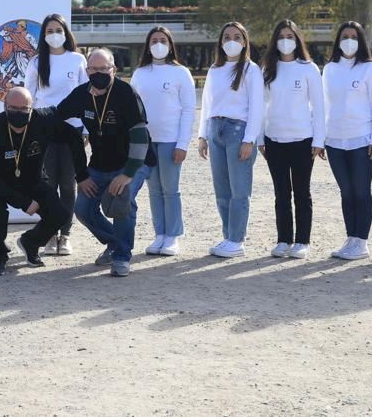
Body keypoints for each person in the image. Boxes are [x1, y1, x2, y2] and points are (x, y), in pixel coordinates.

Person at [55, 49, 153, 277]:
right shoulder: (81, 94)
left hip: (132, 162)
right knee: (82, 208)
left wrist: (127, 174)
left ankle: (121, 257)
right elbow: (56, 115)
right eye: (93, 69)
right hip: (99, 164)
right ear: (87, 71)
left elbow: (140, 135)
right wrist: (29, 116)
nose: (98, 73)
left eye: (103, 69)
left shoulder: (126, 93)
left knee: (122, 201)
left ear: (113, 70)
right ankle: (114, 243)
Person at [0, 87, 87, 275]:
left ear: (32, 107)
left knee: (60, 213)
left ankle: (30, 242)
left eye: (24, 109)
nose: (18, 113)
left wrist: (82, 174)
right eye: (13, 108)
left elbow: (74, 138)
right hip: (1, 184)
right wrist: (24, 202)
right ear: (5, 107)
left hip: (32, 180)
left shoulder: (42, 121)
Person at [259, 20, 325, 259]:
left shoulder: (308, 68)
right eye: (281, 37)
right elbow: (260, 106)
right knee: (281, 194)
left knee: (302, 193)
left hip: (303, 140)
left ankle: (302, 241)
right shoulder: (267, 68)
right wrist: (260, 138)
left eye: (290, 36)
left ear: (297, 40)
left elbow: (319, 107)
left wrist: (319, 140)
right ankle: (284, 239)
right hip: (274, 140)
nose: (285, 41)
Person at [128, 26, 196, 256]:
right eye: (154, 41)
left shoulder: (181, 73)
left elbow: (188, 110)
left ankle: (173, 236)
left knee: (170, 189)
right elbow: (133, 108)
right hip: (146, 142)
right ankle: (160, 234)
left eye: (163, 40)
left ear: (170, 45)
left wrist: (182, 144)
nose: (159, 45)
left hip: (170, 140)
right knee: (154, 190)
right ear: (148, 46)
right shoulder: (140, 73)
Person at [25, 13, 88, 256]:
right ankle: (50, 234)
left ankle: (65, 235)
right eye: (49, 31)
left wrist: (86, 129)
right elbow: (29, 97)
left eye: (58, 30)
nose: (54, 35)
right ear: (43, 35)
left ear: (66, 33)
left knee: (68, 186)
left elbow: (86, 95)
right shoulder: (36, 62)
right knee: (48, 185)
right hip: (44, 129)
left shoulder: (77, 60)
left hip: (72, 129)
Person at [198, 21, 263, 258]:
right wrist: (202, 135)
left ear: (244, 42)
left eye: (237, 37)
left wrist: (249, 140)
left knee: (239, 190)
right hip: (215, 129)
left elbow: (257, 107)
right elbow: (207, 104)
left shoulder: (251, 69)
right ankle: (228, 236)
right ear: (220, 42)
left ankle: (237, 240)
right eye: (227, 37)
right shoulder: (215, 69)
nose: (231, 41)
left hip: (238, 131)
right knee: (222, 190)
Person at [322, 21, 372, 261]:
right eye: (344, 36)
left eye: (354, 37)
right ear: (338, 41)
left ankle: (362, 242)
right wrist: (320, 137)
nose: (349, 41)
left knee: (361, 191)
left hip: (362, 139)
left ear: (361, 41)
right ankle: (351, 238)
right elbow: (323, 104)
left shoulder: (370, 68)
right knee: (346, 192)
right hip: (335, 140)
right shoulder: (330, 68)